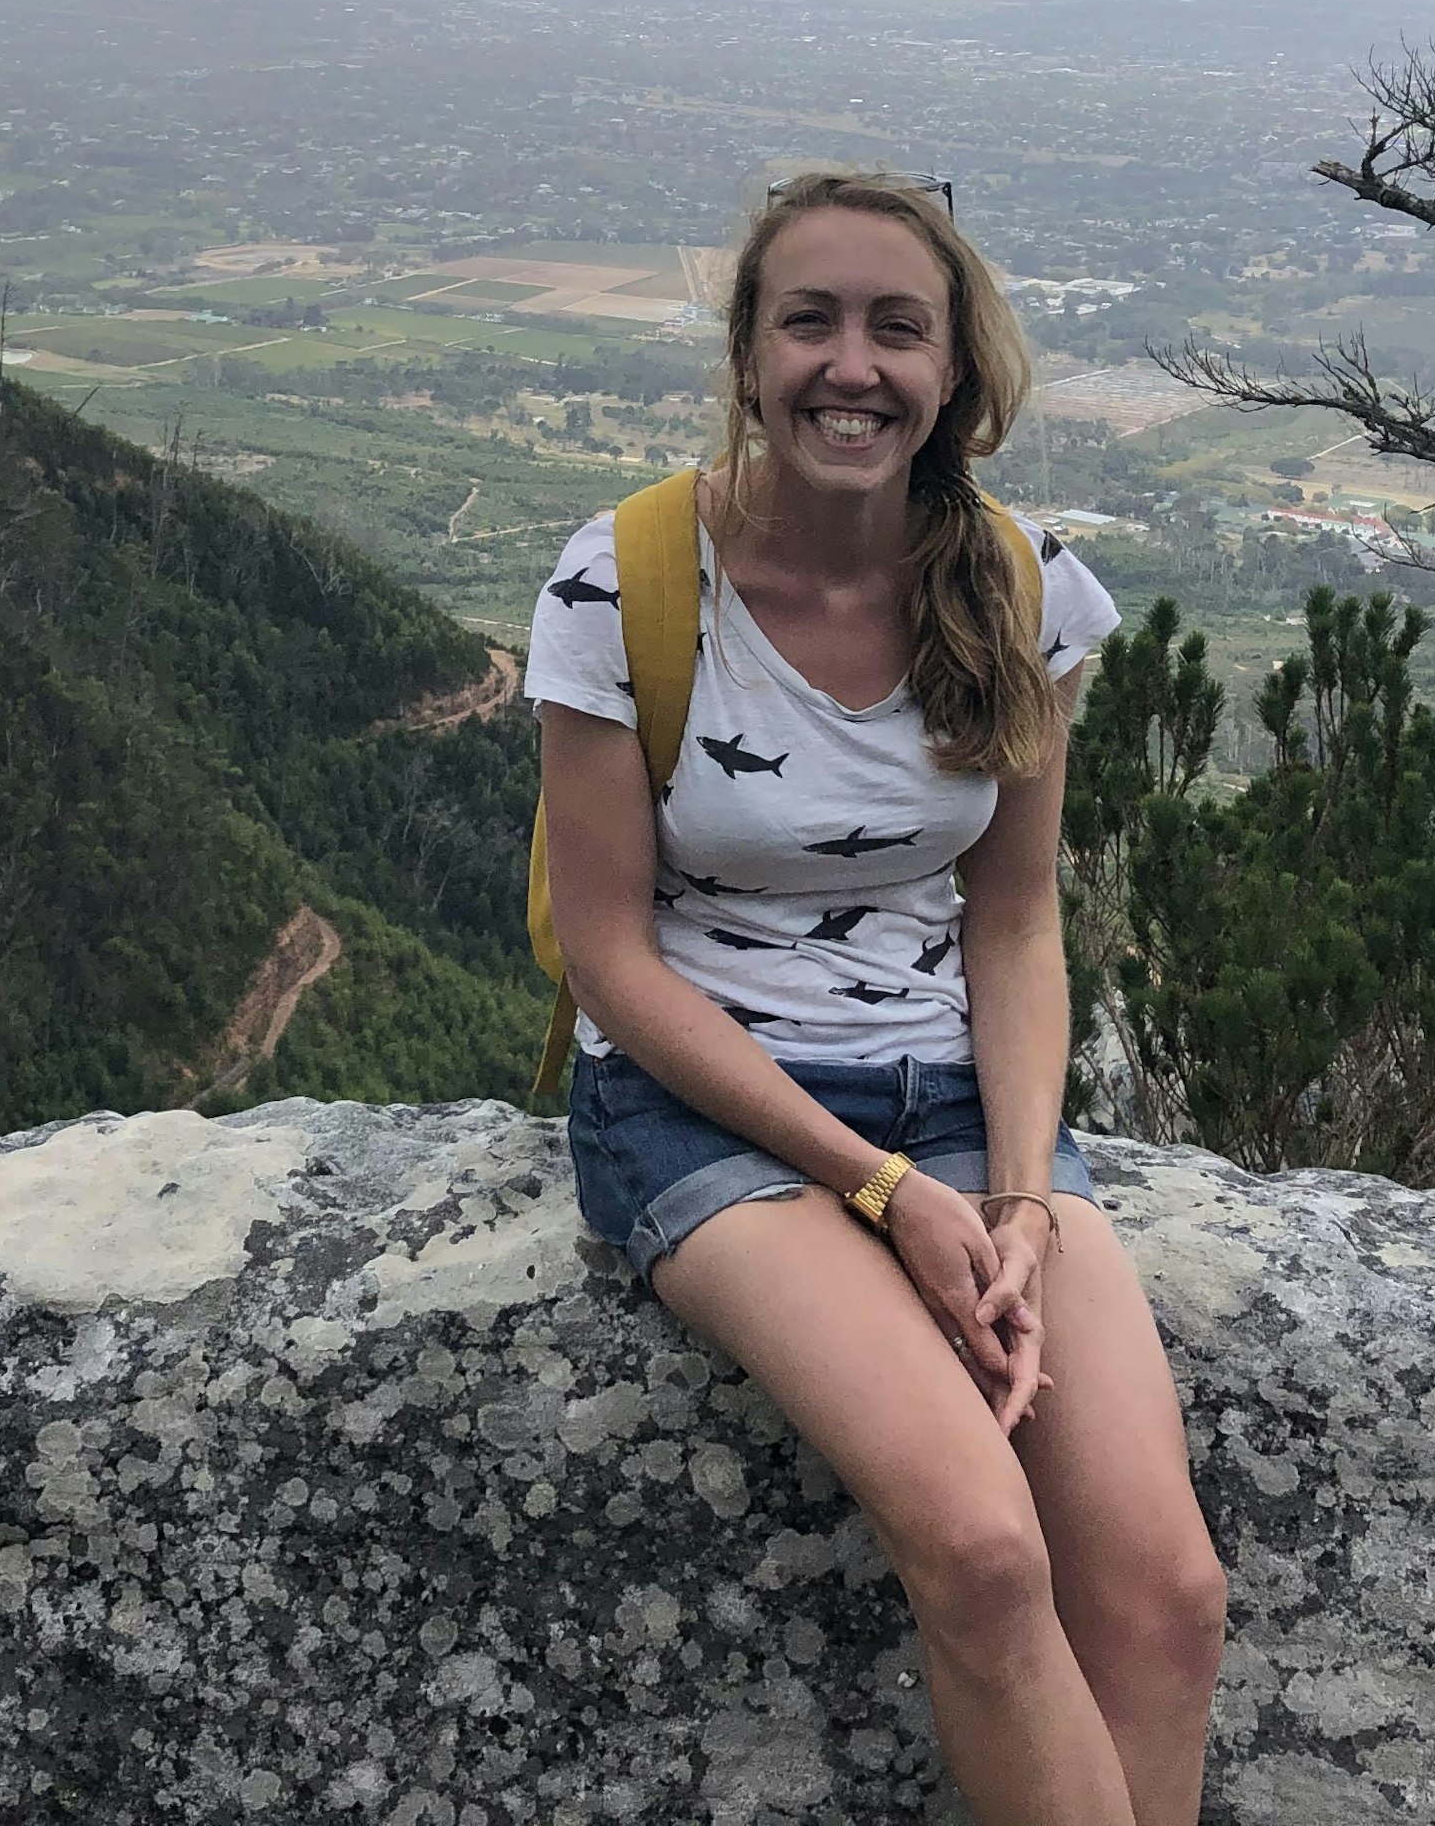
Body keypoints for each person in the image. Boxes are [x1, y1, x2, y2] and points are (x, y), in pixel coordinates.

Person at [525, 171, 1225, 1826]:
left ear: (955, 370)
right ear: (751, 359)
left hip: (966, 1107)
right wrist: (887, 1191)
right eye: (811, 321)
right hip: (709, 1112)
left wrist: (1031, 1200)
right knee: (983, 1552)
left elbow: (1018, 919)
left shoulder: (1023, 588)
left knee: (1167, 1593)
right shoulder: (623, 583)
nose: (854, 364)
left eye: (897, 327)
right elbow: (608, 954)